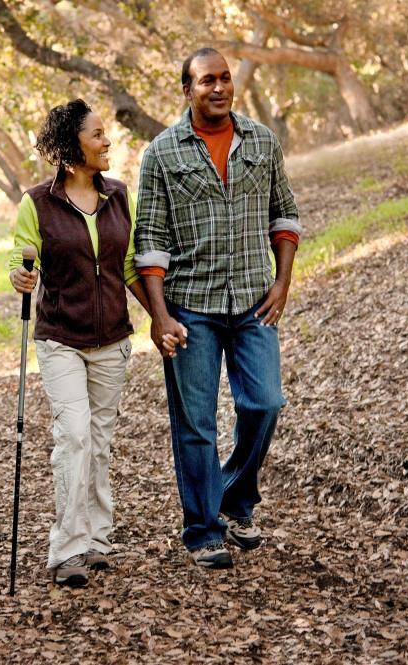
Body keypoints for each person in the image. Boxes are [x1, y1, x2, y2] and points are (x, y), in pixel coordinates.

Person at [134, 47, 302, 569]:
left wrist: (284, 279)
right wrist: (160, 316)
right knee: (196, 423)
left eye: (225, 78)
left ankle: (233, 497)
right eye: (207, 80)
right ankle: (203, 530)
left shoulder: (262, 141)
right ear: (187, 90)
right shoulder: (161, 153)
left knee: (265, 403)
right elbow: (150, 241)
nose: (219, 87)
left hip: (254, 301)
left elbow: (285, 214)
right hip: (191, 309)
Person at [9, 99, 151, 588]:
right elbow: (20, 256)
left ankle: (97, 539)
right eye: (97, 135)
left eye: (105, 133)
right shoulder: (38, 203)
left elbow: (129, 267)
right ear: (72, 148)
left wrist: (163, 318)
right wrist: (19, 276)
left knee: (99, 442)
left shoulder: (118, 195)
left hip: (112, 338)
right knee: (74, 436)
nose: (107, 141)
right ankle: (67, 549)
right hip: (61, 338)